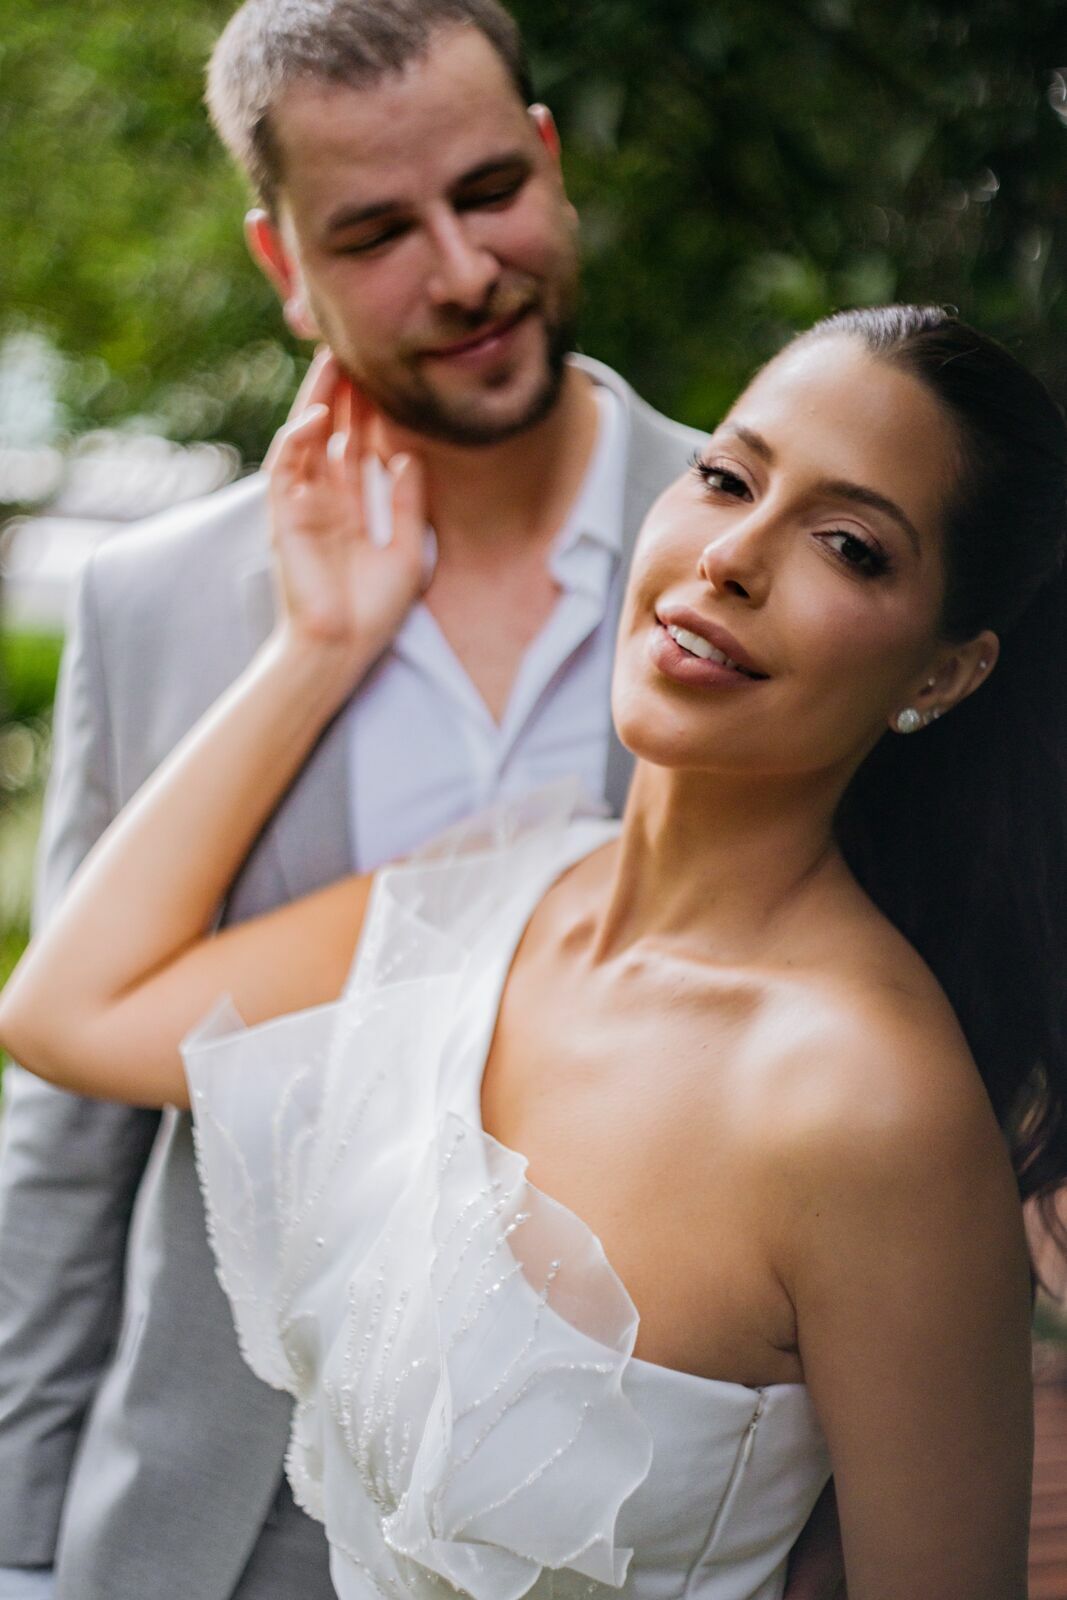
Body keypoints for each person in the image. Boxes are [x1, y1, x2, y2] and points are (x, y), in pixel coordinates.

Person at [2, 302, 1064, 1599]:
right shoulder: (493, 894)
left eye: (847, 544)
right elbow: (70, 1010)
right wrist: (319, 646)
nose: (730, 555)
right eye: (726, 477)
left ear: (944, 675)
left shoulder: (866, 1108)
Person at [0, 2, 729, 1597]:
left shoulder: (752, 564)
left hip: (623, 1512)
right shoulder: (157, 607)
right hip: (222, 1520)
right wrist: (20, 1540)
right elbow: (74, 1132)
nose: (463, 272)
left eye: (487, 191)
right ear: (284, 267)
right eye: (379, 232)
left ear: (547, 159)